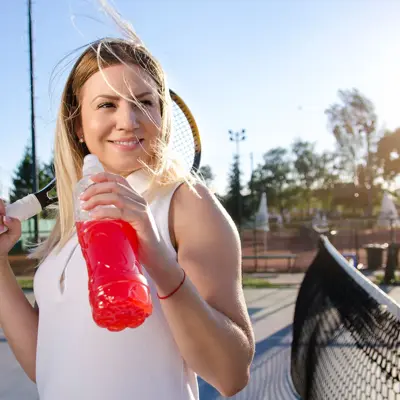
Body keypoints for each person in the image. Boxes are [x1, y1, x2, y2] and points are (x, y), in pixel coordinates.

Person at [0, 9, 254, 400]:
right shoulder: (74, 219)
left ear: (162, 116)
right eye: (107, 105)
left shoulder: (187, 203)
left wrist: (156, 256)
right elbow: (44, 362)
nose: (128, 120)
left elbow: (231, 374)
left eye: (144, 102)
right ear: (78, 126)